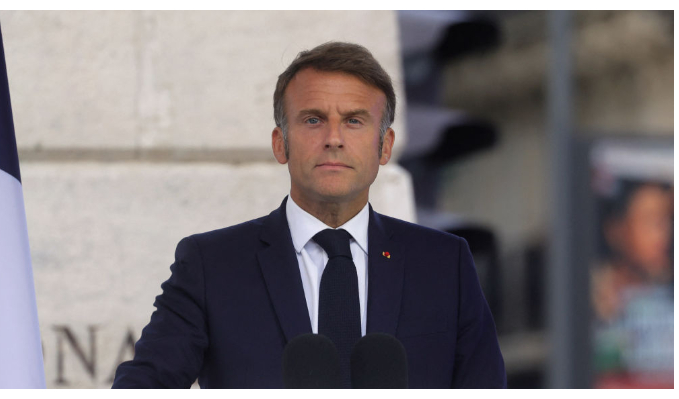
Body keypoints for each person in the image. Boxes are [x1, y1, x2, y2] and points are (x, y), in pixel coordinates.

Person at [112, 41, 505, 389]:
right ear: (280, 143)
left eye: (354, 120)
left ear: (384, 147)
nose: (333, 138)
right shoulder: (211, 264)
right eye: (313, 119)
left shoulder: (443, 263)